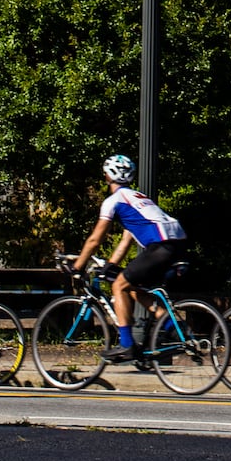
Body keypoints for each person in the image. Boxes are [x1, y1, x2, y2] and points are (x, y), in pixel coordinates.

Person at [72, 154, 189, 362]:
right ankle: (172, 326)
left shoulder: (113, 201)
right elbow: (126, 240)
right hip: (177, 243)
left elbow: (95, 240)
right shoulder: (138, 198)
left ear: (107, 175)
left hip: (160, 246)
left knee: (119, 286)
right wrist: (111, 265)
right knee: (132, 288)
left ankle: (126, 345)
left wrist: (78, 266)